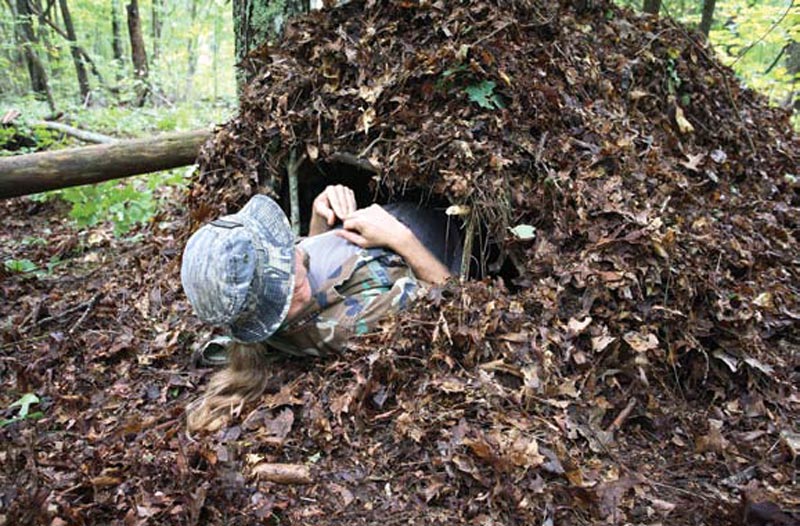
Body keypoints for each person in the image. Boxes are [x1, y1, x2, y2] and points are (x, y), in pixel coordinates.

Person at [180, 185, 462, 430]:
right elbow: (455, 302)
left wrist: (320, 221)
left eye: (283, 258)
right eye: (282, 288)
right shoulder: (352, 321)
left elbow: (308, 276)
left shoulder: (281, 296)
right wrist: (400, 238)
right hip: (449, 238)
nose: (296, 265)